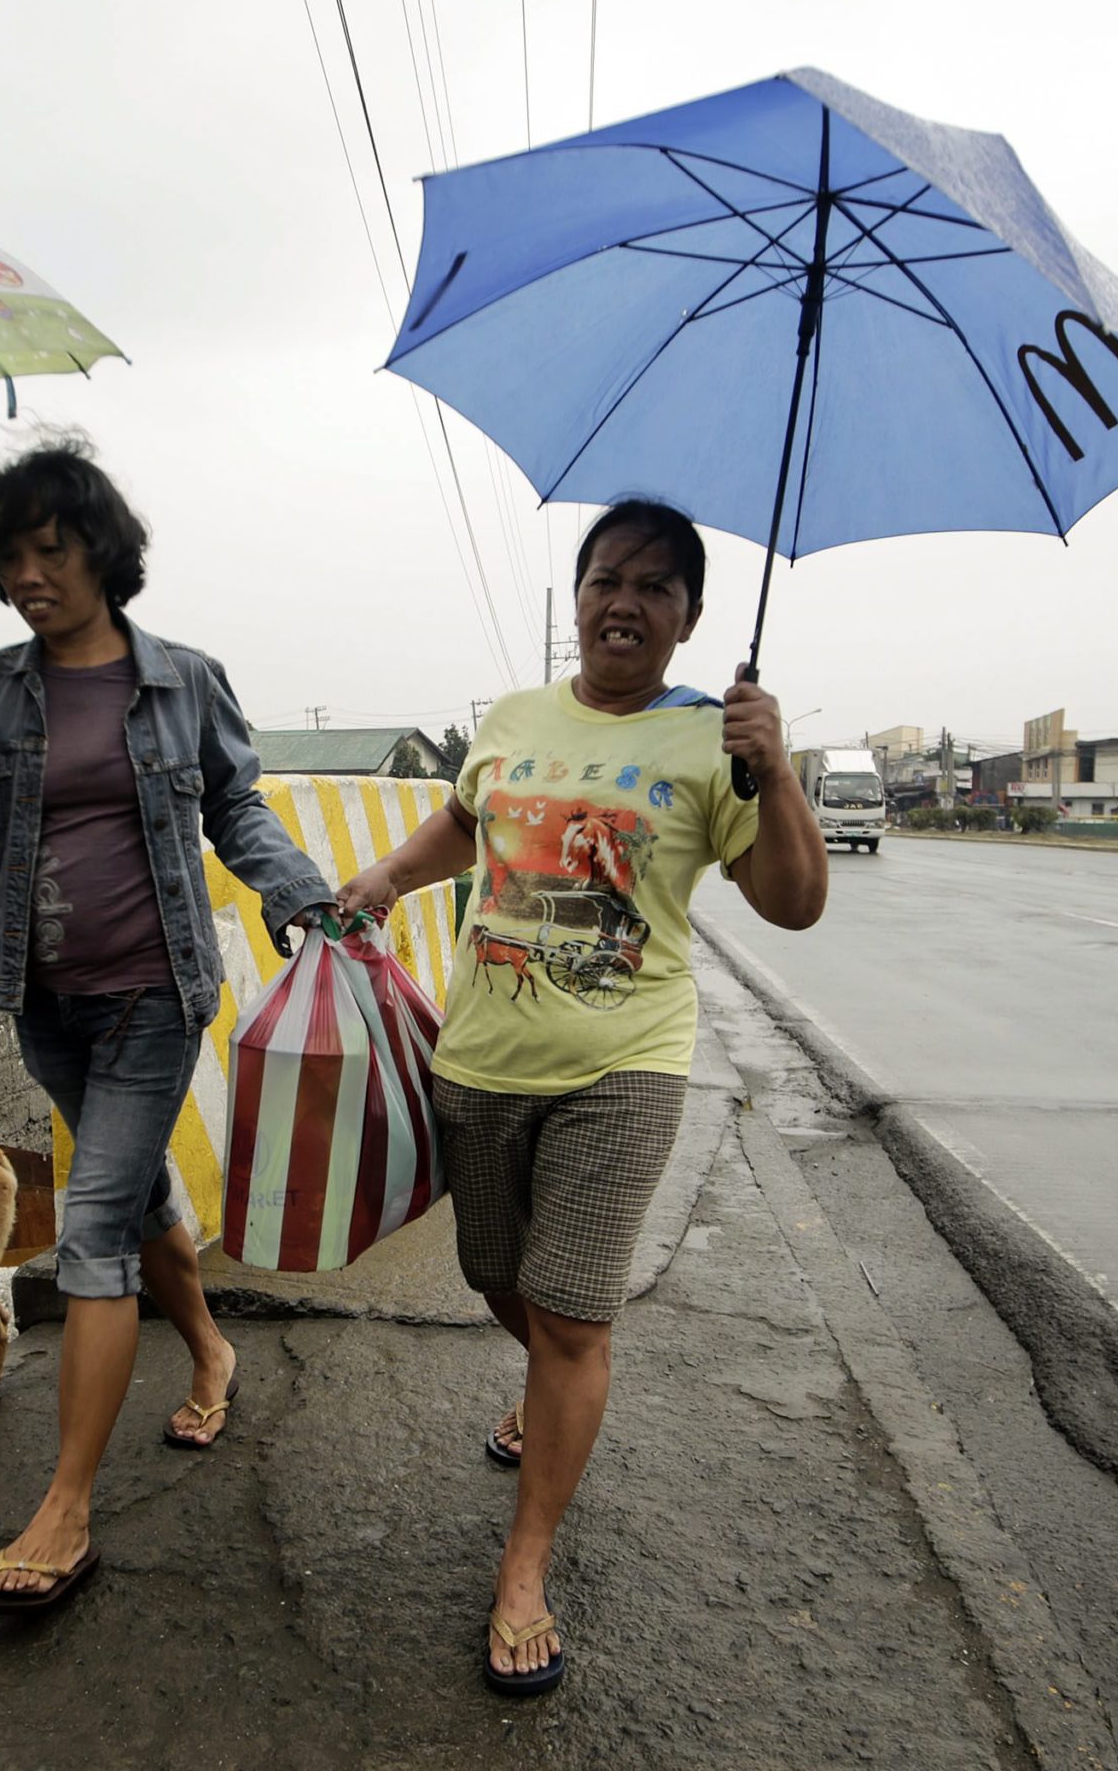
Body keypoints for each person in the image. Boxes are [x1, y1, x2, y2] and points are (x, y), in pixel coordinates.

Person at [0, 436, 333, 1613]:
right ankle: (210, 1349)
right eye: (8, 558)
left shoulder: (184, 680)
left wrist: (300, 891)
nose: (27, 575)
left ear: (100, 549)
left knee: (93, 1221)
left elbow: (234, 807)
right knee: (140, 1186)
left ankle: (64, 1511)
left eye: (48, 549)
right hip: (42, 1004)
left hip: (155, 994)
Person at [336, 499, 826, 1694]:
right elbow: (465, 826)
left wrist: (775, 775)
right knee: (497, 1279)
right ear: (576, 599)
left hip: (626, 1063)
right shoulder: (511, 721)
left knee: (568, 1315)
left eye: (655, 587)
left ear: (691, 618)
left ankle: (525, 1565)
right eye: (605, 577)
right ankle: (561, 1383)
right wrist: (386, 878)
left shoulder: (719, 739)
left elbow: (794, 900)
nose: (624, 601)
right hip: (481, 1057)